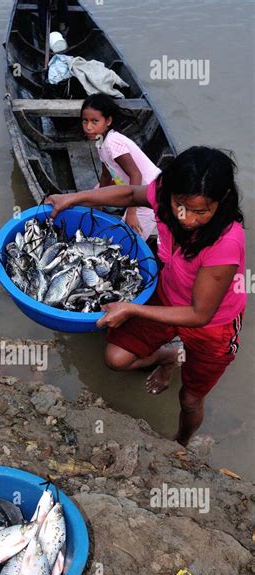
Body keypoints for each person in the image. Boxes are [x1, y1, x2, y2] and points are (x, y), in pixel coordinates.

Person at [45, 147, 246, 447]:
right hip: (166, 294)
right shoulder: (166, 192)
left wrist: (132, 309)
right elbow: (128, 195)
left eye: (201, 211)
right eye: (181, 206)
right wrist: (73, 198)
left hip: (212, 326)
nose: (187, 219)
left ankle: (181, 443)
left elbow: (199, 314)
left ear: (223, 199)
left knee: (190, 400)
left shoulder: (226, 243)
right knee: (115, 358)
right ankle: (169, 356)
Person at [81, 93, 161, 240]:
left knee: (127, 239)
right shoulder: (101, 141)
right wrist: (97, 201)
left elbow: (136, 174)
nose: (88, 127)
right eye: (85, 121)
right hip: (134, 188)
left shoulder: (112, 143)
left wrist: (131, 213)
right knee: (92, 195)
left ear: (108, 121)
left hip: (149, 193)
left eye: (94, 121)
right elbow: (106, 175)